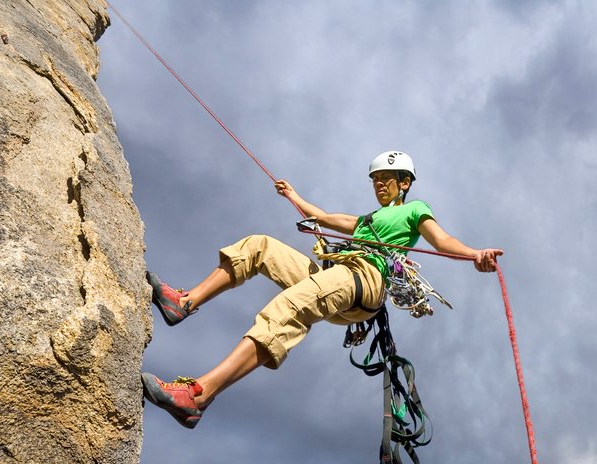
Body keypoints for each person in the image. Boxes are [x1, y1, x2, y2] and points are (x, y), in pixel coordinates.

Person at [141, 150, 502, 428]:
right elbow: (327, 218)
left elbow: (441, 241)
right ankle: (184, 303)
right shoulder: (368, 221)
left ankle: (198, 395)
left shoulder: (414, 210)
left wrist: (475, 255)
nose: (379, 184)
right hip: (341, 273)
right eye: (375, 179)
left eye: (387, 179)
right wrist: (293, 196)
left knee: (287, 307)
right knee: (259, 246)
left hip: (364, 279)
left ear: (404, 183)